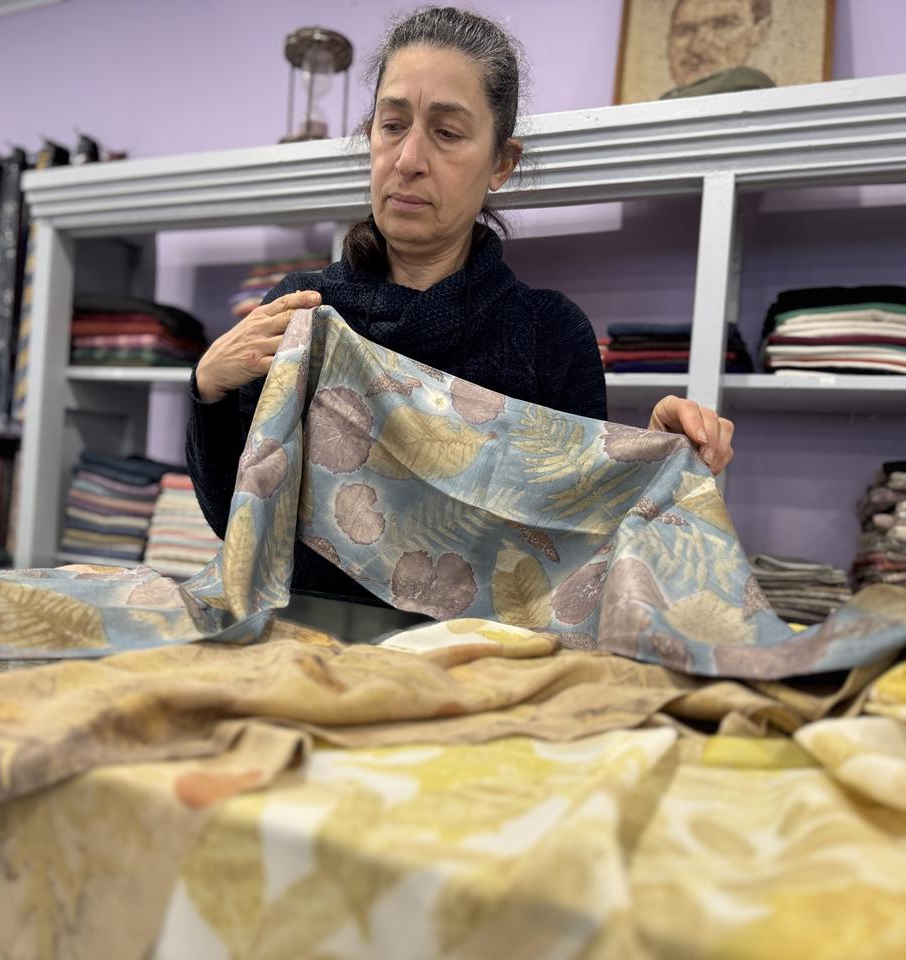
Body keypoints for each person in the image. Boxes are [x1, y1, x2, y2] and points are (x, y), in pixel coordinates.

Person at [187, 6, 736, 605]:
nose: (408, 159)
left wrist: (645, 463)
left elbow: (575, 561)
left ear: (502, 163)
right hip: (305, 645)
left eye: (446, 133)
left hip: (476, 666)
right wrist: (209, 389)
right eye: (392, 125)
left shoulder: (548, 333)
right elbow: (237, 527)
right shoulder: (302, 316)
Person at [662, 0, 775, 100]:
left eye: (722, 25)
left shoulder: (751, 87)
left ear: (760, 31)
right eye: (685, 30)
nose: (697, 47)